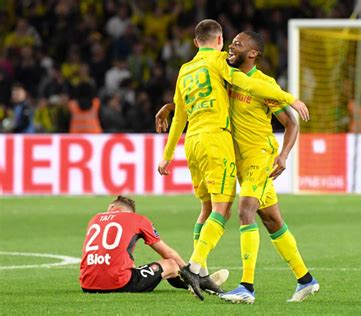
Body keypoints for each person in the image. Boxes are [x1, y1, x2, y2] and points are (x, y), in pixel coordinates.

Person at [156, 31, 318, 304]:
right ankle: (306, 280)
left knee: (245, 211)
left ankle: (247, 287)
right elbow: (201, 99)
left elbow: (291, 123)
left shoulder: (264, 84)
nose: (231, 47)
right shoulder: (224, 76)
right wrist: (171, 107)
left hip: (260, 155)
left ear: (253, 53)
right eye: (230, 43)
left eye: (238, 45)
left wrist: (284, 155)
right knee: (272, 220)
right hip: (237, 159)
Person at [79, 195, 228, 294]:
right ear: (130, 212)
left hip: (87, 284)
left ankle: (193, 284)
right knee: (171, 264)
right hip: (118, 283)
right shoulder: (137, 219)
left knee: (127, 262)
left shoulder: (95, 219)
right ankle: (195, 283)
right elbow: (168, 254)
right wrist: (191, 273)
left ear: (112, 208)